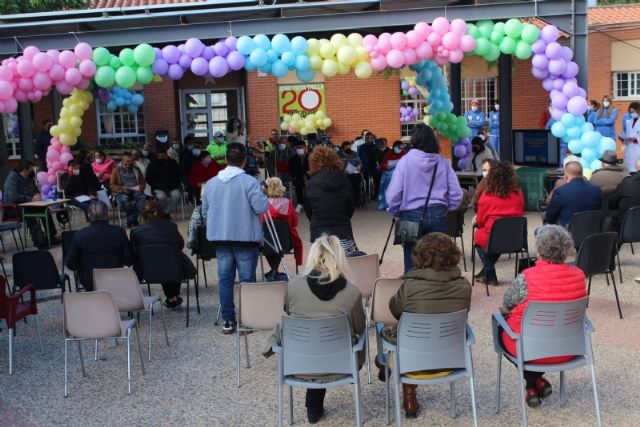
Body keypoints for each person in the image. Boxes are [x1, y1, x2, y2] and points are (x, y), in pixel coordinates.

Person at [263, 234, 365, 424]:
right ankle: (315, 404)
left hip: (300, 363)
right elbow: (359, 327)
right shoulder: (352, 292)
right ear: (340, 258)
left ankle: (313, 407)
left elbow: (289, 310)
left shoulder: (293, 286)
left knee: (313, 338)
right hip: (340, 363)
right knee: (329, 341)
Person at [380, 233, 472, 418]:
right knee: (410, 340)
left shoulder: (410, 286)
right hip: (450, 359)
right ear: (452, 256)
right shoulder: (464, 286)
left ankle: (408, 397)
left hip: (411, 359)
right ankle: (404, 388)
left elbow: (394, 310)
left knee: (401, 340)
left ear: (419, 257)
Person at [500, 225, 586, 408]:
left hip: (531, 350)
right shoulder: (579, 275)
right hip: (568, 350)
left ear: (539, 251)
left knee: (501, 326)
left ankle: (531, 385)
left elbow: (507, 303)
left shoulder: (526, 278)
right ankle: (535, 383)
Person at [202, 143, 268, 334]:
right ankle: (246, 320)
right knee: (247, 280)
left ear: (225, 160)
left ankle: (228, 320)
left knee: (224, 279)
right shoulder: (249, 182)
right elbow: (261, 208)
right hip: (245, 238)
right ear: (244, 161)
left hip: (220, 238)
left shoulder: (212, 183)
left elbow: (205, 211)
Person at [386, 124, 463, 273]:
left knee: (411, 262)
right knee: (439, 261)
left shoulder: (405, 161)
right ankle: (437, 293)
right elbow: (456, 194)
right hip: (438, 215)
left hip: (410, 216)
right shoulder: (442, 162)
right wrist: (449, 208)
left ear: (413, 141)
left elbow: (393, 194)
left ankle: (413, 293)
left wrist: (394, 211)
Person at [131, 201, 196, 308]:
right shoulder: (171, 227)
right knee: (170, 258)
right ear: (159, 213)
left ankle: (172, 298)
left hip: (147, 272)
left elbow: (134, 253)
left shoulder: (136, 232)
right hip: (172, 269)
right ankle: (173, 297)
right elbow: (180, 245)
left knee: (162, 258)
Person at [474, 161, 525, 286]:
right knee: (496, 239)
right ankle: (486, 271)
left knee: (478, 236)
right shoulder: (518, 194)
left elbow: (480, 222)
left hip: (492, 237)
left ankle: (490, 272)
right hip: (514, 238)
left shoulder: (486, 196)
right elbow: (521, 212)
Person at [304, 146, 360, 256]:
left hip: (319, 234)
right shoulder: (344, 179)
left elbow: (308, 210)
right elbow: (350, 206)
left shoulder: (311, 183)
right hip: (343, 232)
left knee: (322, 269)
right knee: (344, 268)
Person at [66, 201, 134, 291]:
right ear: (107, 215)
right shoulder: (119, 232)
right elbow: (129, 259)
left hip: (89, 281)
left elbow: (71, 265)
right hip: (115, 279)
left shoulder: (79, 235)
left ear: (89, 215)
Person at [3, 160, 59, 249]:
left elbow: (35, 190)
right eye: (30, 170)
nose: (32, 172)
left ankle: (51, 237)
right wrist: (31, 198)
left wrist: (37, 195)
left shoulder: (28, 177)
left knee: (45, 210)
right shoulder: (12, 178)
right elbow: (12, 197)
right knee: (29, 215)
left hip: (29, 204)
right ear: (24, 170)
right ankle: (40, 242)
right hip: (13, 208)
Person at [262, 177, 303, 280]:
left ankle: (273, 271)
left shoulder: (261, 203)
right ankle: (274, 271)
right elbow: (295, 222)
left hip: (266, 242)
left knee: (267, 240)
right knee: (280, 240)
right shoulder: (287, 203)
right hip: (286, 242)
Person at [544, 161, 601, 227]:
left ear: (566, 176)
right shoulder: (597, 191)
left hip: (566, 235)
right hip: (590, 233)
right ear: (582, 174)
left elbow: (549, 217)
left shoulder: (561, 191)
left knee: (538, 231)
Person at [110, 153, 146, 228]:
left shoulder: (136, 169)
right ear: (122, 161)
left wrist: (140, 188)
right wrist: (123, 190)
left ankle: (130, 219)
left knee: (142, 197)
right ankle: (133, 220)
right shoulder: (116, 170)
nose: (130, 163)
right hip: (122, 192)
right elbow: (112, 186)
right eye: (127, 161)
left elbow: (143, 183)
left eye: (131, 161)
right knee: (124, 199)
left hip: (135, 191)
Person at [605, 158, 640, 233]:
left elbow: (612, 203)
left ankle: (610, 244)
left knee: (608, 221)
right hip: (631, 227)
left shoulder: (627, 182)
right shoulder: (627, 181)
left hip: (627, 227)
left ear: (637, 165)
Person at [145, 148, 182, 216]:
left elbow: (179, 175)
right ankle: (163, 212)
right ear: (157, 155)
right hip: (158, 187)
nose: (161, 157)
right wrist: (156, 185)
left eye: (163, 155)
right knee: (162, 197)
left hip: (172, 187)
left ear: (166, 155)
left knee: (176, 195)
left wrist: (176, 184)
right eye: (160, 156)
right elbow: (148, 178)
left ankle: (165, 212)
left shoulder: (173, 163)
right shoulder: (152, 164)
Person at [378, 141, 407, 211]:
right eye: (397, 147)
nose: (398, 149)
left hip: (401, 174)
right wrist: (386, 166)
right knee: (388, 179)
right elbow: (381, 166)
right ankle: (387, 203)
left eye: (400, 147)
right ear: (393, 147)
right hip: (389, 174)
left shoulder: (405, 154)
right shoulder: (388, 154)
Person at [338, 140, 363, 207]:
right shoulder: (338, 154)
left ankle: (357, 201)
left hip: (354, 172)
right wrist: (342, 169)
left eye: (349, 148)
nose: (349, 149)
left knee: (356, 182)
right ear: (343, 148)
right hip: (343, 173)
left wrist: (359, 166)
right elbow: (335, 164)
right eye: (347, 148)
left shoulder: (354, 153)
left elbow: (360, 162)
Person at [619, 101, 640, 173]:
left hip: (637, 149)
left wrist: (635, 139)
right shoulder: (629, 122)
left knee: (636, 169)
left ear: (638, 111)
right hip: (629, 149)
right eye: (630, 112)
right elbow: (627, 135)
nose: (632, 114)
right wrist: (622, 138)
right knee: (629, 170)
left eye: (633, 112)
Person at [289, 139, 309, 213]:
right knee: (298, 184)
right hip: (298, 177)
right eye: (297, 148)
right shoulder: (293, 159)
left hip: (309, 176)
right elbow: (292, 170)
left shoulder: (310, 157)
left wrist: (306, 176)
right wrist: (301, 175)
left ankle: (309, 202)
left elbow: (313, 168)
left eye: (301, 147)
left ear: (305, 147)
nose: (299, 149)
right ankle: (300, 203)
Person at [357, 132, 376, 197]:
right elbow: (359, 157)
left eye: (370, 138)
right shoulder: (361, 147)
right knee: (366, 181)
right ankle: (367, 195)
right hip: (364, 166)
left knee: (375, 181)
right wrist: (361, 165)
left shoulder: (375, 146)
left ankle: (374, 194)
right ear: (364, 139)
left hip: (374, 166)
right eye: (366, 138)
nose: (368, 139)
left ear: (372, 138)